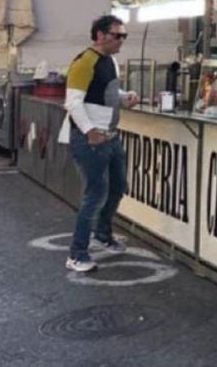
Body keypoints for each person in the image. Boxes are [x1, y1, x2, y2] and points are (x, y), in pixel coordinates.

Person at [57, 14, 139, 272]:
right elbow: (73, 102)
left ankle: (103, 234)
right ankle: (76, 253)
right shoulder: (84, 62)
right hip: (91, 139)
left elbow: (105, 92)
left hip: (109, 135)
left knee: (117, 187)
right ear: (101, 35)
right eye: (117, 35)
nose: (121, 40)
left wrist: (124, 96)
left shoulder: (110, 62)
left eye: (123, 36)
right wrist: (90, 131)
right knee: (95, 194)